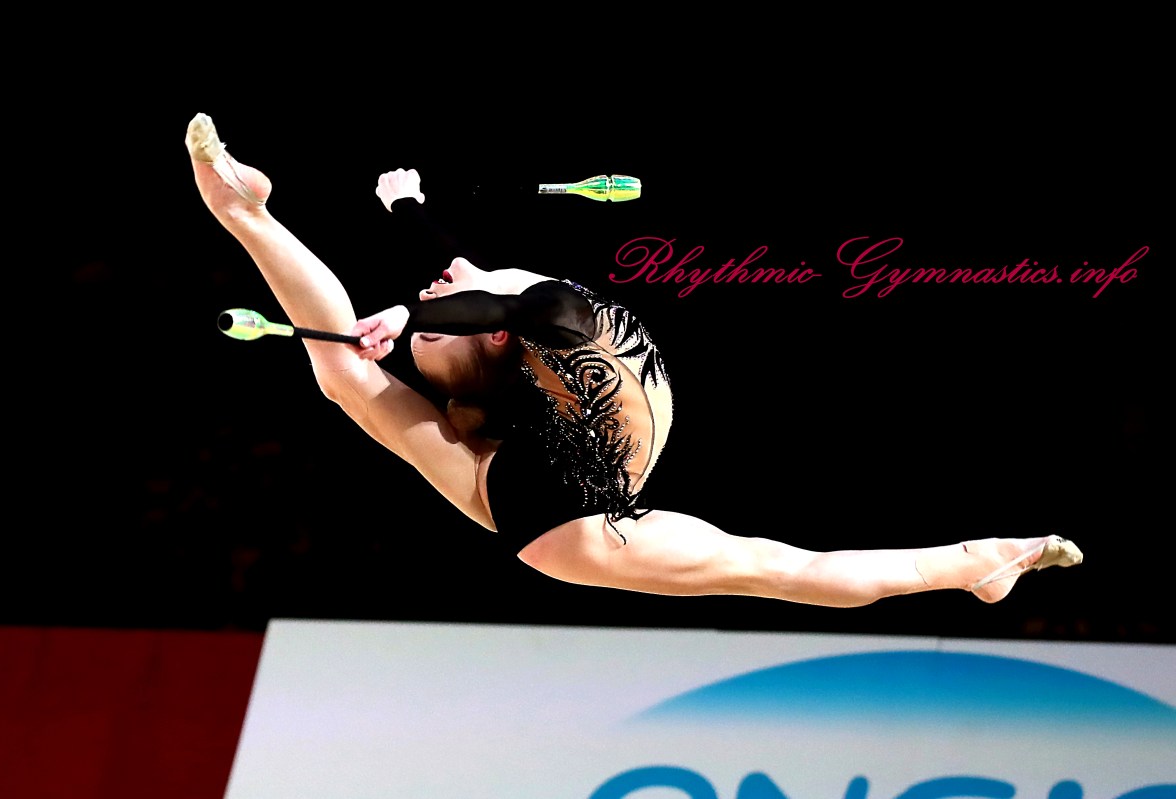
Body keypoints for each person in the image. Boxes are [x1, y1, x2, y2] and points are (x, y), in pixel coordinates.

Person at [185, 112, 1083, 609]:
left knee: (351, 366)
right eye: (437, 325)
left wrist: (387, 226)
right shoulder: (554, 330)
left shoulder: (528, 332)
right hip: (564, 517)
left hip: (562, 503)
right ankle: (973, 561)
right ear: (491, 339)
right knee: (784, 570)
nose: (431, 296)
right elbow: (481, 303)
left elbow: (429, 302)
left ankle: (976, 562)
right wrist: (405, 281)